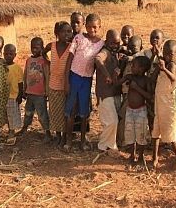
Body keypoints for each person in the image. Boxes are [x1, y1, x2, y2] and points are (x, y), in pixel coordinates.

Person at [63, 13, 105, 152]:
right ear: (85, 26)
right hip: (74, 77)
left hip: (87, 81)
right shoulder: (79, 38)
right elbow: (70, 58)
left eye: (95, 27)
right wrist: (66, 81)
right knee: (70, 110)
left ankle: (82, 141)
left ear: (99, 27)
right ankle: (68, 141)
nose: (92, 30)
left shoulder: (101, 44)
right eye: (89, 27)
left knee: (84, 112)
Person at [151, 40, 176, 170]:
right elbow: (154, 77)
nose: (167, 56)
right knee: (156, 131)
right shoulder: (163, 62)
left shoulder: (173, 66)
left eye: (171, 54)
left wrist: (164, 68)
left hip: (170, 105)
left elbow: (173, 79)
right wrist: (159, 61)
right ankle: (154, 157)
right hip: (160, 102)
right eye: (166, 53)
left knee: (171, 132)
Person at [118, 56, 153, 167]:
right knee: (130, 133)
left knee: (141, 134)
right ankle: (132, 155)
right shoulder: (129, 77)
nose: (131, 67)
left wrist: (136, 88)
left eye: (134, 66)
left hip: (141, 111)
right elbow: (118, 83)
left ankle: (141, 155)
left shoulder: (145, 80)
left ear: (141, 69)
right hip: (129, 110)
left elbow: (149, 96)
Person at [94, 29, 122, 153]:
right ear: (106, 42)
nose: (115, 46)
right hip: (105, 94)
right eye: (112, 43)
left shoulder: (116, 53)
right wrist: (107, 75)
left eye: (117, 43)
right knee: (112, 121)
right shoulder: (105, 52)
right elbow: (98, 60)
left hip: (114, 93)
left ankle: (109, 144)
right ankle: (104, 145)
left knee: (111, 121)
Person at [20, 37, 52, 141]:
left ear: (42, 48)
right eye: (32, 48)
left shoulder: (44, 61)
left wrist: (47, 92)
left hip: (40, 94)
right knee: (28, 112)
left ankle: (47, 132)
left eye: (37, 48)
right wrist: (24, 89)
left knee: (42, 114)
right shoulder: (29, 60)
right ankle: (24, 128)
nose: (34, 50)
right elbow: (25, 75)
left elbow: (47, 77)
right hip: (30, 93)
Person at [47, 21, 72, 147]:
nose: (67, 34)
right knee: (55, 112)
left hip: (65, 85)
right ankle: (58, 135)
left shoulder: (72, 47)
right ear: (57, 33)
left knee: (64, 113)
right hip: (53, 84)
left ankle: (64, 137)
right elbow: (43, 52)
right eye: (63, 32)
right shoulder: (51, 46)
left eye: (69, 31)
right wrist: (47, 63)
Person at [117, 35, 143, 148]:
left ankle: (129, 141)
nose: (132, 49)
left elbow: (138, 57)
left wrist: (130, 58)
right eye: (130, 47)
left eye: (135, 47)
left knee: (127, 117)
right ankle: (122, 140)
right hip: (126, 92)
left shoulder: (140, 59)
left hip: (135, 95)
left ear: (140, 47)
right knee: (124, 117)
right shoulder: (126, 58)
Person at [143, 29, 164, 132]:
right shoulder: (146, 53)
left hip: (161, 85)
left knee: (160, 111)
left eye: (157, 38)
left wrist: (159, 54)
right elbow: (145, 67)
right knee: (150, 111)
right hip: (149, 85)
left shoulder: (165, 53)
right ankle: (152, 134)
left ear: (162, 41)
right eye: (152, 37)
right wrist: (153, 56)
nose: (154, 39)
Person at [3, 44, 23, 141]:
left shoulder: (17, 68)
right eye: (6, 54)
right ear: (3, 54)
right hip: (3, 96)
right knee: (5, 114)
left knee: (12, 114)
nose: (8, 56)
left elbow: (20, 83)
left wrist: (20, 95)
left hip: (13, 96)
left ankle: (12, 132)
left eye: (11, 54)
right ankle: (9, 129)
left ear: (15, 55)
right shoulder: (1, 67)